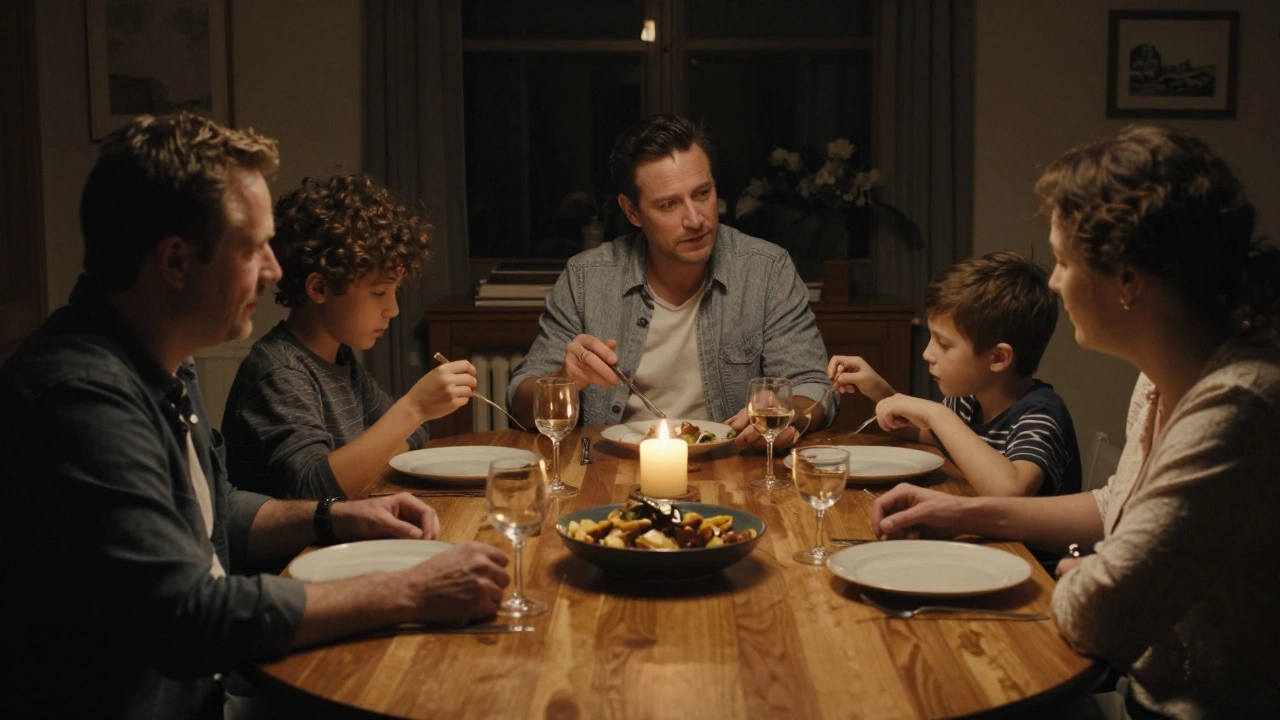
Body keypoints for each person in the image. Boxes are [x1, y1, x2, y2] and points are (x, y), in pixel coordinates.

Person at [0, 114, 509, 720]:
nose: (273, 271)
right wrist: (410, 589)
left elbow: (222, 510)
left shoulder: (162, 363)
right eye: (252, 248)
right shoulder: (80, 398)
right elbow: (188, 616)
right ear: (176, 262)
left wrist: (337, 517)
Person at [868, 126, 1280, 718]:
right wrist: (961, 513)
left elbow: (1098, 616)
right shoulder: (1160, 380)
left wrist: (1085, 573)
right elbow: (1116, 507)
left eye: (1064, 261)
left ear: (1129, 280)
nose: (1055, 281)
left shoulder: (1239, 407)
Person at [506, 114, 836, 449]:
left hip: (733, 469)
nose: (695, 220)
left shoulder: (766, 270)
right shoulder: (586, 278)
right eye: (669, 204)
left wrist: (786, 411)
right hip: (610, 472)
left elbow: (815, 387)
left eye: (703, 193)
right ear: (632, 211)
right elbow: (518, 405)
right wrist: (564, 380)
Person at [221, 174, 476, 500]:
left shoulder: (340, 360)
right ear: (320, 288)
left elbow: (416, 434)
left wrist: (411, 419)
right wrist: (413, 407)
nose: (393, 309)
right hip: (299, 552)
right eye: (379, 292)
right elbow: (314, 490)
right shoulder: (280, 370)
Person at [828, 251, 1081, 498]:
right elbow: (918, 433)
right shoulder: (968, 399)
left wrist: (938, 414)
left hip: (1015, 543)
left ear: (997, 358)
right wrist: (881, 393)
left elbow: (1010, 491)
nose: (927, 353)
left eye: (944, 344)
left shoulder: (1041, 415)